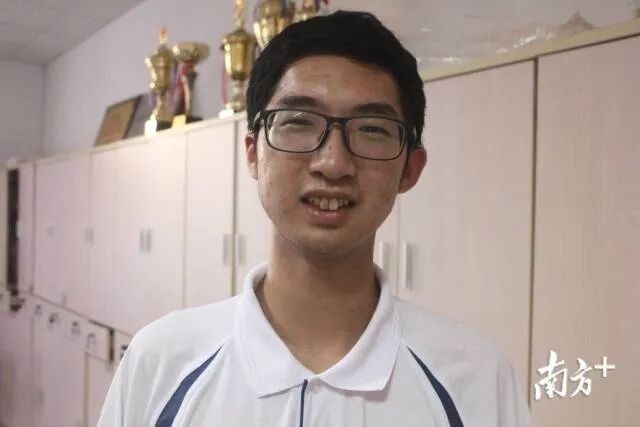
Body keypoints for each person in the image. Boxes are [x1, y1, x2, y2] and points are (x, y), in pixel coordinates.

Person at [98, 11, 531, 427]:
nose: (333, 163)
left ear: (410, 170)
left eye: (371, 129)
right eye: (299, 122)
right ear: (253, 152)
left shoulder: (475, 378)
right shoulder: (161, 362)